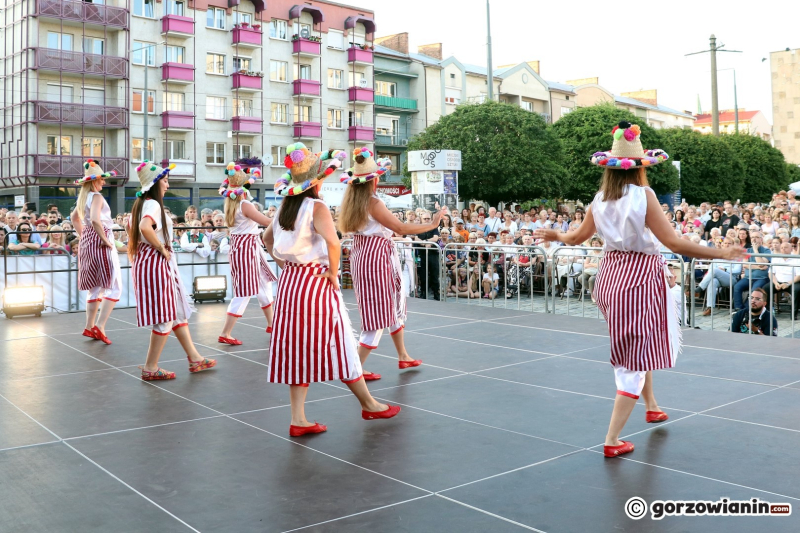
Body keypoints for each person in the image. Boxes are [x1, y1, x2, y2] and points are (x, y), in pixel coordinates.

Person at [535, 121, 744, 459]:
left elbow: (576, 238)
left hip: (610, 277)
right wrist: (721, 252)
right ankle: (612, 439)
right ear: (640, 167)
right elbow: (675, 243)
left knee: (637, 342)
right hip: (638, 280)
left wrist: (555, 236)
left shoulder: (600, 198)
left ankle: (652, 405)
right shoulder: (643, 195)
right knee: (632, 357)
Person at [265, 143, 400, 437]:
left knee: (296, 348)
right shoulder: (316, 206)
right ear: (317, 179)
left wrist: (281, 261)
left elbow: (267, 238)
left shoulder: (286, 208)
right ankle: (369, 404)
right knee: (340, 340)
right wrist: (334, 273)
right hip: (314, 282)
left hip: (290, 284)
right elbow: (334, 242)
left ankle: (298, 418)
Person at [339, 149, 442, 380]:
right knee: (378, 314)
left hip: (364, 254)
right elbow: (401, 228)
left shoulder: (354, 202)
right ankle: (354, 368)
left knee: (391, 305)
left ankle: (403, 355)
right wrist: (432, 224)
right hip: (377, 258)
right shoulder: (373, 202)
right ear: (373, 180)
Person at [128, 161, 217, 380]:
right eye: (165, 181)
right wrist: (162, 249)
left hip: (148, 261)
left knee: (175, 311)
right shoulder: (153, 205)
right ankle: (150, 367)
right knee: (166, 316)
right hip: (156, 262)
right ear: (156, 184)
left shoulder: (139, 205)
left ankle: (195, 358)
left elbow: (136, 231)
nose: (167, 186)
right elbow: (144, 228)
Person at [216, 163, 277, 345]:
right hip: (247, 249)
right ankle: (225, 332)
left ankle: (272, 324)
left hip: (243, 247)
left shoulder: (230, 204)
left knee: (263, 285)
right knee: (244, 291)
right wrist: (283, 217)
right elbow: (266, 221)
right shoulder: (245, 204)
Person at [70, 160, 122, 345]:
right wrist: (105, 240)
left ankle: (89, 325)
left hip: (88, 242)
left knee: (94, 287)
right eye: (100, 179)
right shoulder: (97, 197)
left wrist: (85, 235)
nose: (103, 182)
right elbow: (95, 220)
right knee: (114, 285)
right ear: (93, 182)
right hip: (100, 240)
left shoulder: (83, 198)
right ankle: (99, 326)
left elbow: (74, 218)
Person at [732, 230, 771, 311]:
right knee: (737, 287)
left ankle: (748, 309)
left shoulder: (766, 251)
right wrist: (759, 267)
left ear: (761, 239)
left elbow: (761, 263)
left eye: (757, 237)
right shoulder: (747, 251)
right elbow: (745, 265)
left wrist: (756, 250)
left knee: (754, 290)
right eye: (752, 237)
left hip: (761, 278)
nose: (754, 239)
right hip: (747, 277)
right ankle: (738, 308)